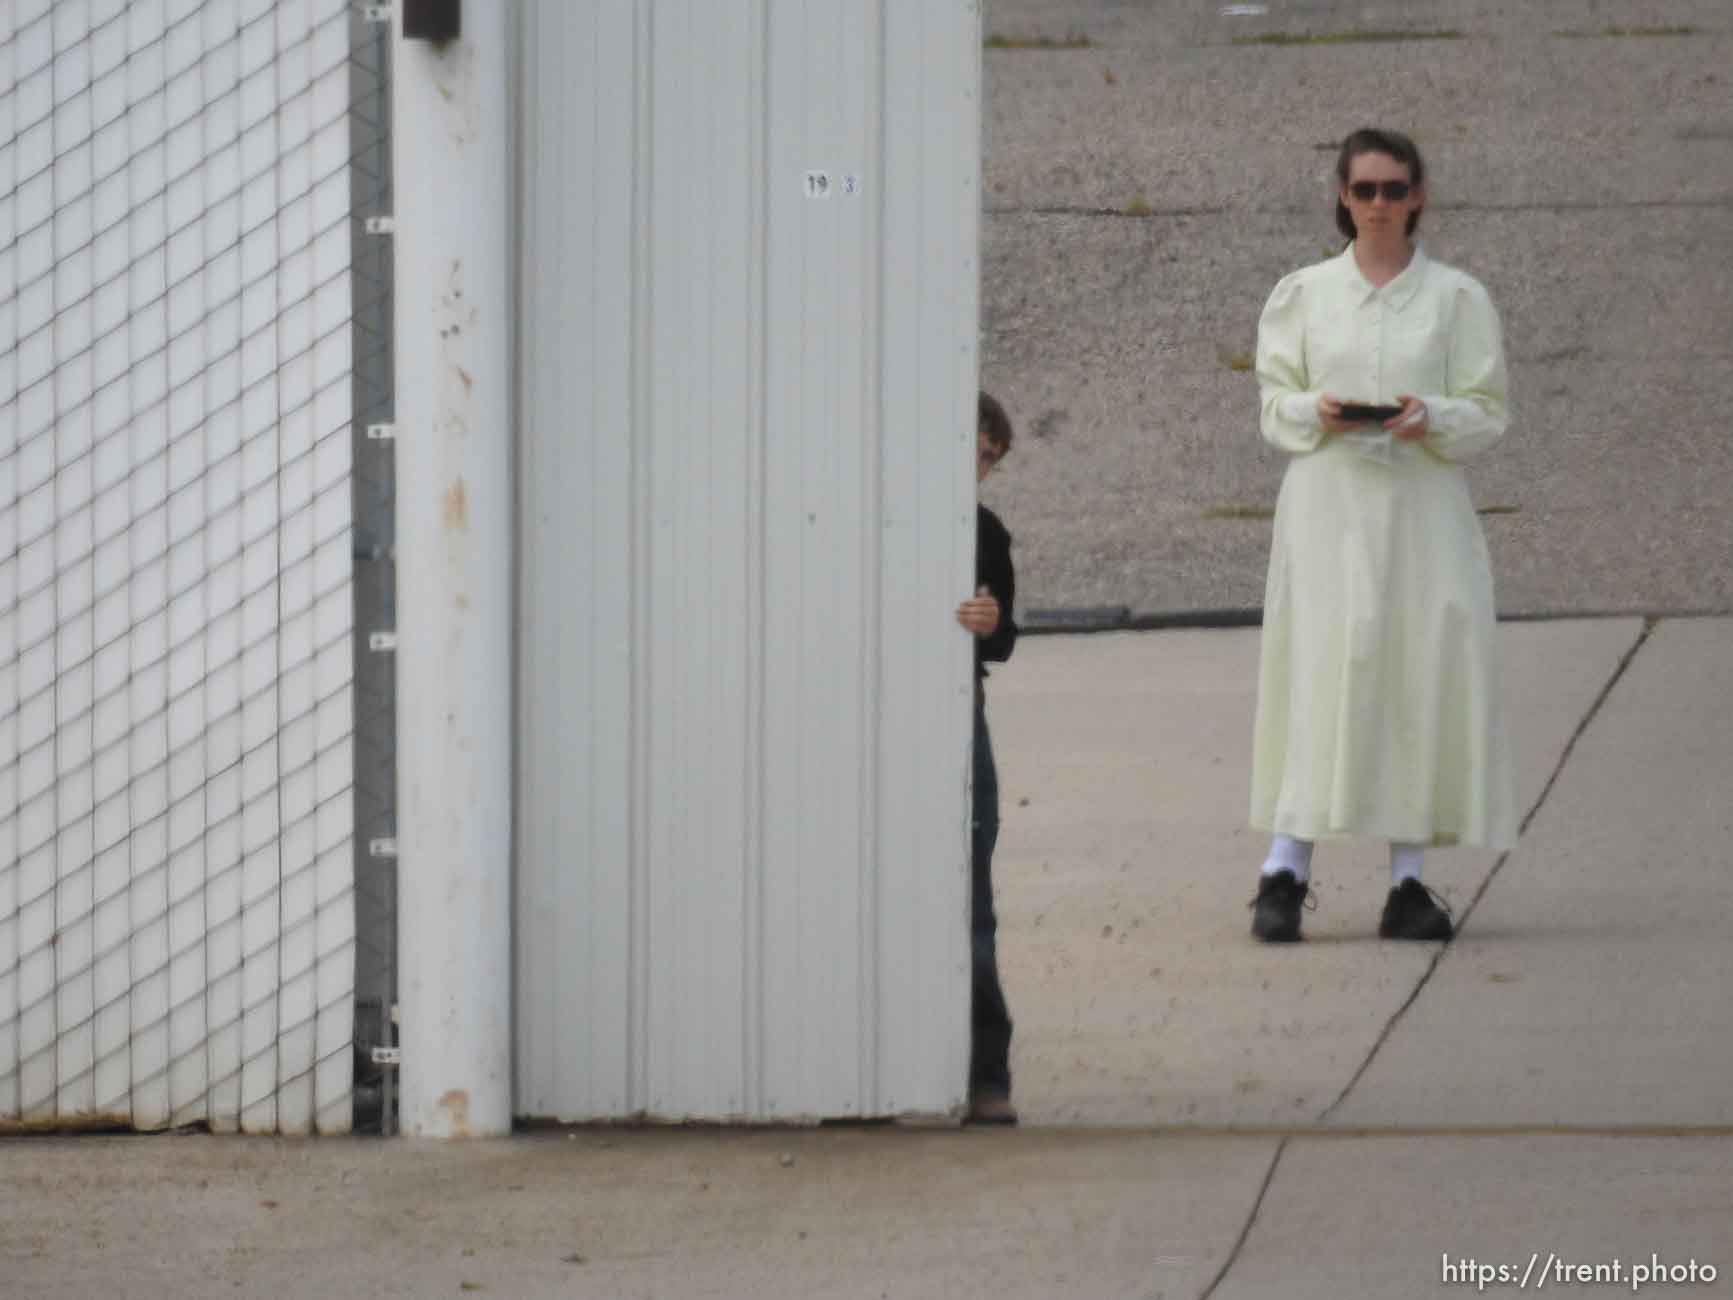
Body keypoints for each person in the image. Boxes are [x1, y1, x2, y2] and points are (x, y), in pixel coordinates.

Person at [1248, 127, 1517, 944]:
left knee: (1417, 674)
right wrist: (1314, 409)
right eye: (1362, 190)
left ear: (1419, 195)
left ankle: (1407, 884)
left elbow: (1488, 409)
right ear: (1340, 196)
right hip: (1328, 507)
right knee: (1320, 668)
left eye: (1392, 189)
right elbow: (1272, 402)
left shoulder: (1455, 298)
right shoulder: (1301, 294)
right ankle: (1283, 871)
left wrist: (1429, 415)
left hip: (1419, 506)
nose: (1377, 205)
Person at [957, 391, 1019, 1123]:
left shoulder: (985, 534)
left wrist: (988, 622)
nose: (981, 470)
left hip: (957, 718)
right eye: (977, 452)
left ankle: (987, 1073)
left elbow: (1001, 641)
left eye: (991, 462)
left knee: (971, 901)